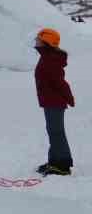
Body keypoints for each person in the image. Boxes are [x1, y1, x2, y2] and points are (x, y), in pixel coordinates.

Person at [34, 27, 75, 176]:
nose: (36, 41)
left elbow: (59, 82)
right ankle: (54, 162)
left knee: (56, 132)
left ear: (46, 42)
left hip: (54, 102)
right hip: (49, 101)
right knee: (53, 132)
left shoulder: (50, 59)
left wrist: (68, 97)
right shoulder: (47, 56)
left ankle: (63, 166)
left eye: (38, 39)